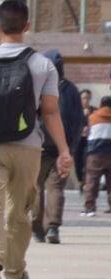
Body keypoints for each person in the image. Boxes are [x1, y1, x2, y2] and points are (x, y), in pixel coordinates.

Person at [0, 0, 73, 279]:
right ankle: (15, 273)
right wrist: (64, 150)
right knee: (19, 211)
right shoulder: (43, 65)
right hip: (28, 147)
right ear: (27, 26)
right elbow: (50, 112)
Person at [32, 50, 83, 244]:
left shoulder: (37, 86)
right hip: (62, 149)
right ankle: (53, 227)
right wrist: (70, 148)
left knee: (36, 187)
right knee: (56, 188)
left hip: (38, 147)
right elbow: (78, 121)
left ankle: (37, 228)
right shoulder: (71, 90)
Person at [82, 96, 111, 216]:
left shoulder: (92, 117)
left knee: (92, 181)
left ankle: (90, 208)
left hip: (95, 153)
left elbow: (86, 133)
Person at [73, 87, 93, 184]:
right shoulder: (75, 111)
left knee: (88, 161)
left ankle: (87, 182)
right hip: (78, 140)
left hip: (90, 140)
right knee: (78, 162)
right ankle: (81, 180)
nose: (86, 100)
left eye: (88, 98)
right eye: (84, 98)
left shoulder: (94, 110)